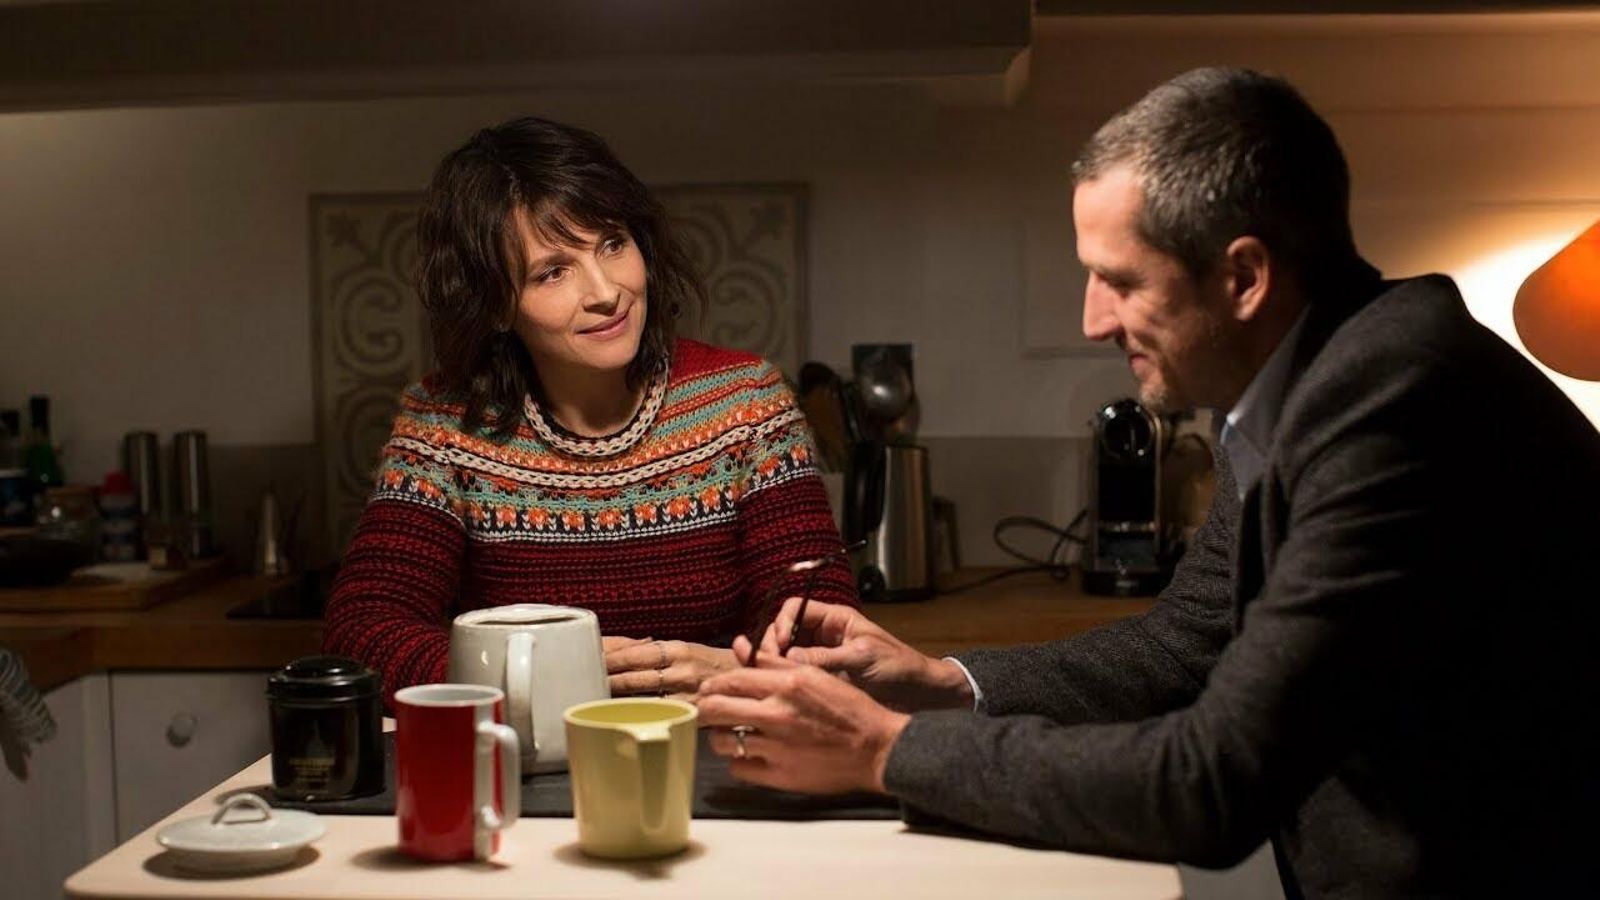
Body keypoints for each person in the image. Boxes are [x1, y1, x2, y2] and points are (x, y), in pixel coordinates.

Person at [696, 67, 1600, 898]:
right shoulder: (1307, 380)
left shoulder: (1395, 406)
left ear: (1243, 277)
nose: (1092, 320)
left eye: (1117, 280)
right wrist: (939, 681)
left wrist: (883, 751)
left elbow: (1211, 784)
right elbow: (1184, 645)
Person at [324, 116, 855, 707]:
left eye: (612, 244)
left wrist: (723, 670)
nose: (605, 292)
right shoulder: (445, 426)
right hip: (526, 754)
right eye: (553, 272)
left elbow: (825, 628)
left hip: (717, 743)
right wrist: (540, 675)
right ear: (496, 305)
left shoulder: (746, 404)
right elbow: (362, 631)